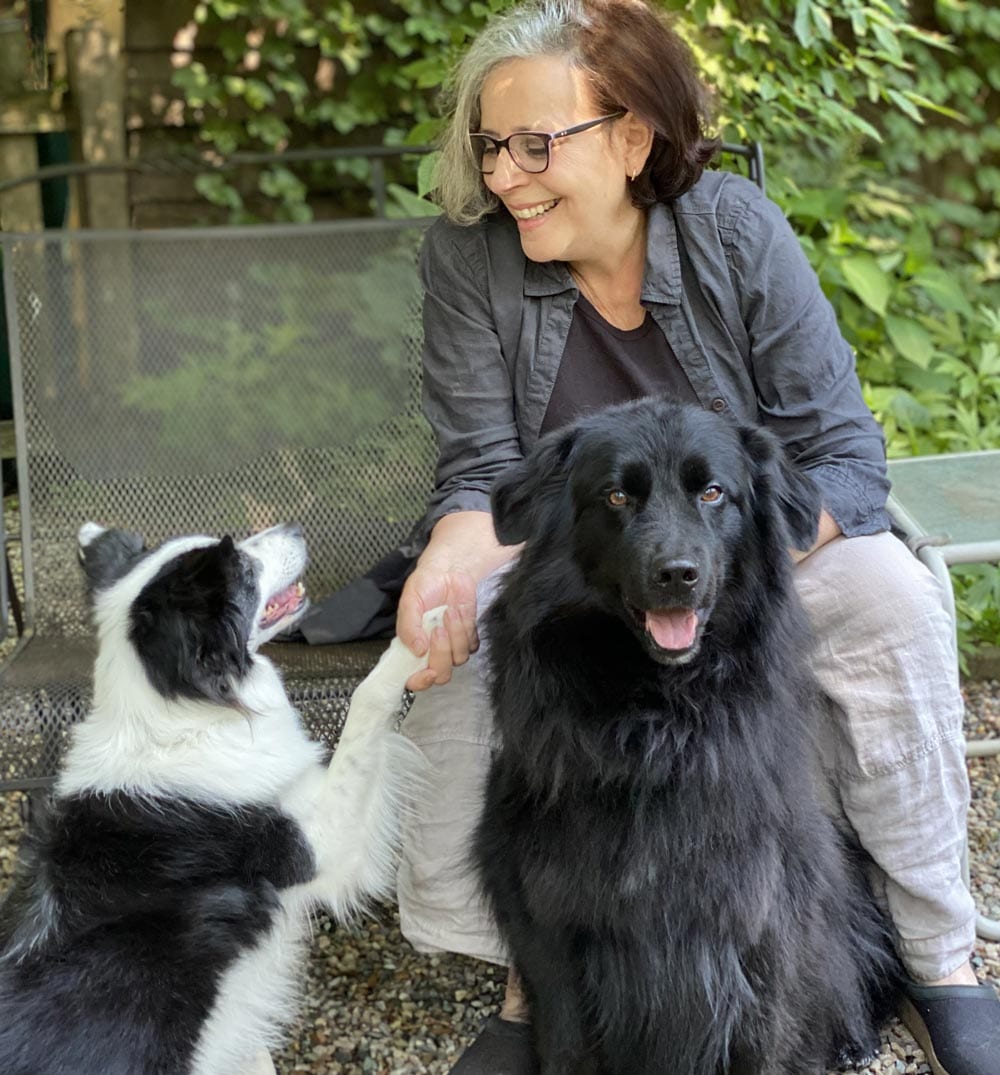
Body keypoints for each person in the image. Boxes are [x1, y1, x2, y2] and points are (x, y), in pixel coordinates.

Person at [392, 1, 1000, 1072]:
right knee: (458, 624)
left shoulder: (732, 231)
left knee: (895, 596)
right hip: (582, 564)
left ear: (630, 140)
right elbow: (483, 472)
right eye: (492, 146)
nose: (504, 175)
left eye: (538, 145)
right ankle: (535, 978)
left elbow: (846, 454)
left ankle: (939, 954)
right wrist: (450, 548)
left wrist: (744, 554)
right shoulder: (467, 265)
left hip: (753, 548)